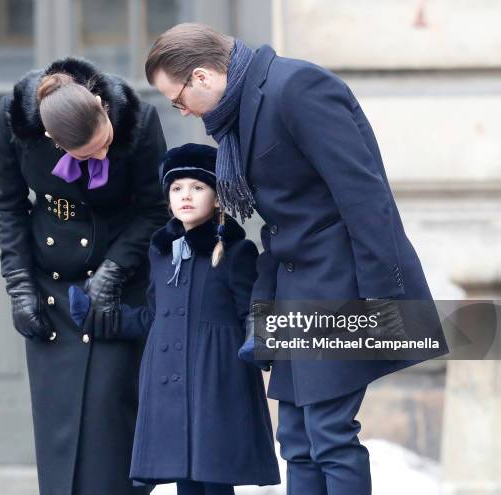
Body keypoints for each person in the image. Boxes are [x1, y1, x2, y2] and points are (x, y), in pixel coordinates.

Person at [143, 23, 449, 495]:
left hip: (340, 283)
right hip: (290, 287)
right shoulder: (235, 116)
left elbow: (364, 194)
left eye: (177, 98)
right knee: (297, 441)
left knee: (329, 435)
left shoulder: (297, 87)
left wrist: (381, 299)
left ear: (202, 77)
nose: (179, 109)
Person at [0, 56, 168, 495]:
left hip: (119, 281)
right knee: (58, 424)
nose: (103, 154)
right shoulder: (14, 121)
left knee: (110, 418)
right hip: (50, 283)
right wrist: (18, 285)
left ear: (101, 107)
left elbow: (154, 208)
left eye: (105, 142)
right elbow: (10, 206)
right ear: (52, 139)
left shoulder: (140, 121)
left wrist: (112, 273)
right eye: (88, 154)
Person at [73, 144, 281, 495]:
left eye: (198, 188)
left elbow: (251, 312)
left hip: (216, 379)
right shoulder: (161, 254)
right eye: (176, 188)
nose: (186, 196)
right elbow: (151, 318)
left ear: (217, 199)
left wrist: (261, 346)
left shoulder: (236, 252)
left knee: (215, 476)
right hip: (168, 380)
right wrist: (100, 317)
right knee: (184, 476)